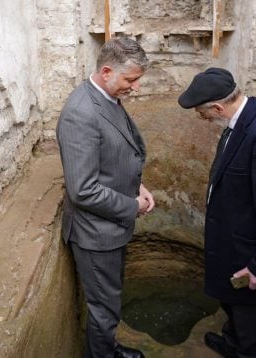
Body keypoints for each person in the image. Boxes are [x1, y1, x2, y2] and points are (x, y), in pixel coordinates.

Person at [178, 68, 256, 358]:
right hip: (231, 240)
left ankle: (245, 352)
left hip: (248, 252)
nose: (201, 119)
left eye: (202, 113)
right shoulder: (238, 122)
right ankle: (232, 344)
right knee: (231, 305)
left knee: (248, 318)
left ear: (217, 107)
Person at [56, 37, 155, 358]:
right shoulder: (80, 114)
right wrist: (131, 206)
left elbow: (114, 155)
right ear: (107, 71)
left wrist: (135, 186)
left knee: (109, 300)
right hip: (95, 234)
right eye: (131, 80)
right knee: (103, 307)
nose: (136, 87)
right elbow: (83, 189)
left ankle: (107, 349)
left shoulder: (105, 97)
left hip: (109, 226)